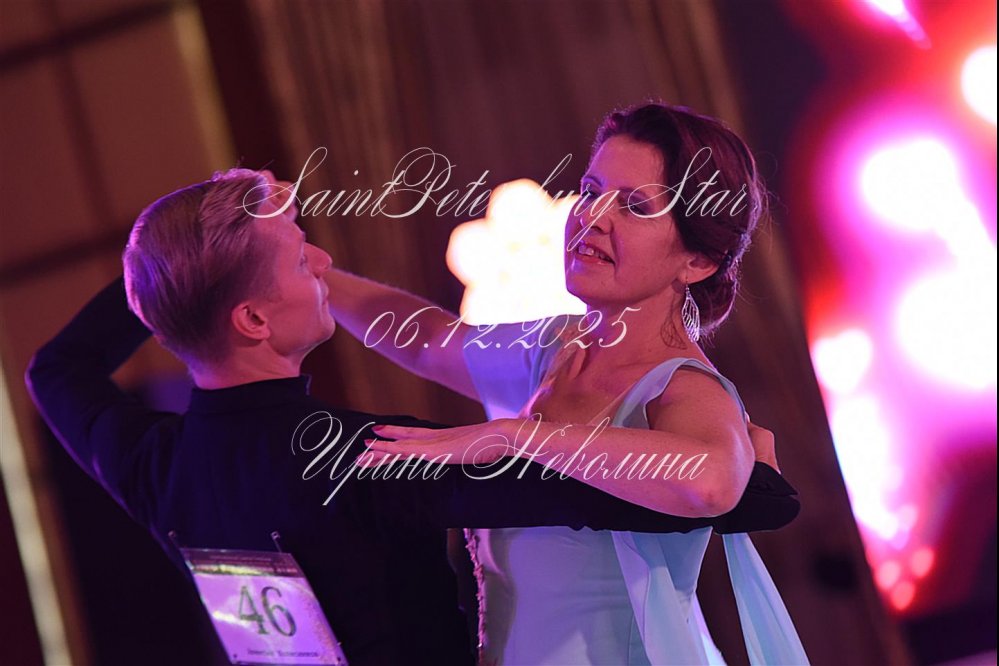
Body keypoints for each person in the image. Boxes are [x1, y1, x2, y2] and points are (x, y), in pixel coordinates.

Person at [26, 167, 800, 666]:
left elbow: (56, 369)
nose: (322, 263)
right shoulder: (358, 456)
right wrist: (756, 486)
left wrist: (172, 265)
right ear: (254, 320)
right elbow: (598, 492)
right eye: (299, 257)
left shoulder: (152, 464)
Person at [323, 103, 809, 664]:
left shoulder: (683, 386)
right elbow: (425, 339)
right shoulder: (554, 346)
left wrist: (512, 437)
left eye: (634, 206)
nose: (593, 217)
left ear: (697, 261)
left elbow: (712, 482)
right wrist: (314, 271)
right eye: (590, 190)